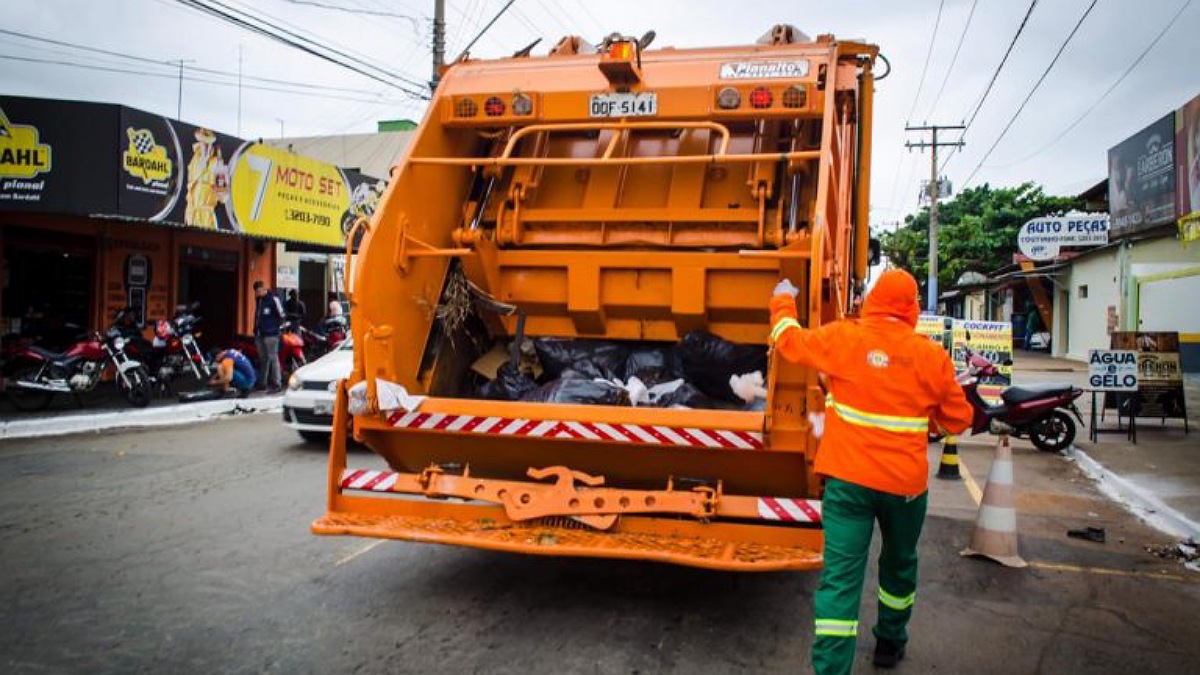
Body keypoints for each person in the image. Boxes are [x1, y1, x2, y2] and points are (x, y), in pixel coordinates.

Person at [768, 269, 972, 674]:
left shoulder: (843, 339)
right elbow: (958, 420)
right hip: (905, 489)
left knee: (841, 581)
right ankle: (890, 643)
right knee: (898, 564)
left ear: (872, 300)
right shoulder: (932, 357)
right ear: (913, 309)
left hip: (847, 485)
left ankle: (831, 670)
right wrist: (925, 418)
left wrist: (782, 296)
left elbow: (787, 339)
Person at [253, 280, 285, 393]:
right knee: (263, 359)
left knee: (273, 357)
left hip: (271, 334)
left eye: (259, 291)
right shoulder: (259, 300)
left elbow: (281, 315)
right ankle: (263, 382)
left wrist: (275, 328)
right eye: (256, 292)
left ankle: (277, 383)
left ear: (264, 288)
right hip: (259, 334)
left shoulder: (273, 299)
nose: (258, 293)